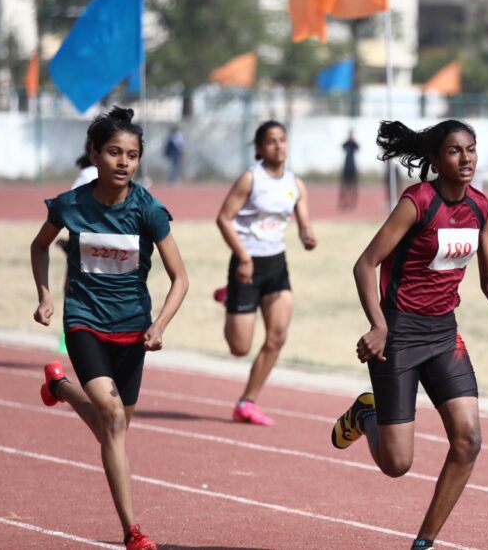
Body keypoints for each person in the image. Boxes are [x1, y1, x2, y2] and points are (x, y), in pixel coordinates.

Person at [330, 119, 488, 550]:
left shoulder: (481, 207)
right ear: (437, 160)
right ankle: (367, 415)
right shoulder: (417, 202)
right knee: (398, 463)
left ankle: (425, 542)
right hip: (399, 335)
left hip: (444, 337)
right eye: (456, 151)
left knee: (469, 440)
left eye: (471, 149)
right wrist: (378, 325)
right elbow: (365, 264)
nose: (467, 159)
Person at [30, 106, 189, 550]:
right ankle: (133, 532)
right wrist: (46, 295)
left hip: (133, 330)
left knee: (110, 429)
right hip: (85, 322)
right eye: (115, 153)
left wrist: (159, 325)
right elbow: (39, 246)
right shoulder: (71, 205)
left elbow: (182, 278)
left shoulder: (148, 210)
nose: (124, 162)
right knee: (114, 418)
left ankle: (60, 390)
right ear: (94, 155)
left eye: (133, 155)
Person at [215, 120, 317, 426]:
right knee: (239, 348)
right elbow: (223, 218)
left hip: (276, 266)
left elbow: (304, 223)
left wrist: (308, 236)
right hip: (247, 266)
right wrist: (243, 257)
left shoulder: (295, 184)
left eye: (282, 140)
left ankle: (247, 402)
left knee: (277, 337)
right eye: (271, 141)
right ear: (259, 148)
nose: (278, 146)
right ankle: (230, 293)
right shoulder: (250, 179)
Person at [339, 130, 360, 211]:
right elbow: (343, 146)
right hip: (346, 168)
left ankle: (352, 203)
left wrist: (353, 140)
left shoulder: (353, 144)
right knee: (344, 186)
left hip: (353, 168)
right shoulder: (346, 143)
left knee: (353, 187)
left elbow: (358, 147)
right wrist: (347, 140)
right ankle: (344, 202)